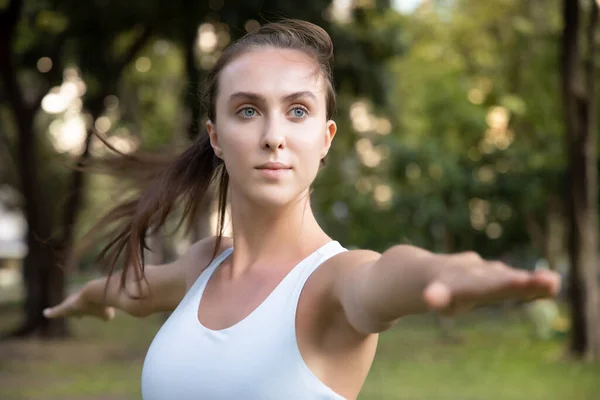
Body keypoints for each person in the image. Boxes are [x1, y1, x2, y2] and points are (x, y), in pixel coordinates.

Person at [43, 19, 561, 400]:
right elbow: (131, 291)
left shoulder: (335, 282)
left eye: (298, 111)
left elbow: (389, 275)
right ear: (217, 137)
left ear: (325, 137)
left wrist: (449, 271)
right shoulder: (205, 263)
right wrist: (83, 300)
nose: (273, 137)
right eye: (248, 110)